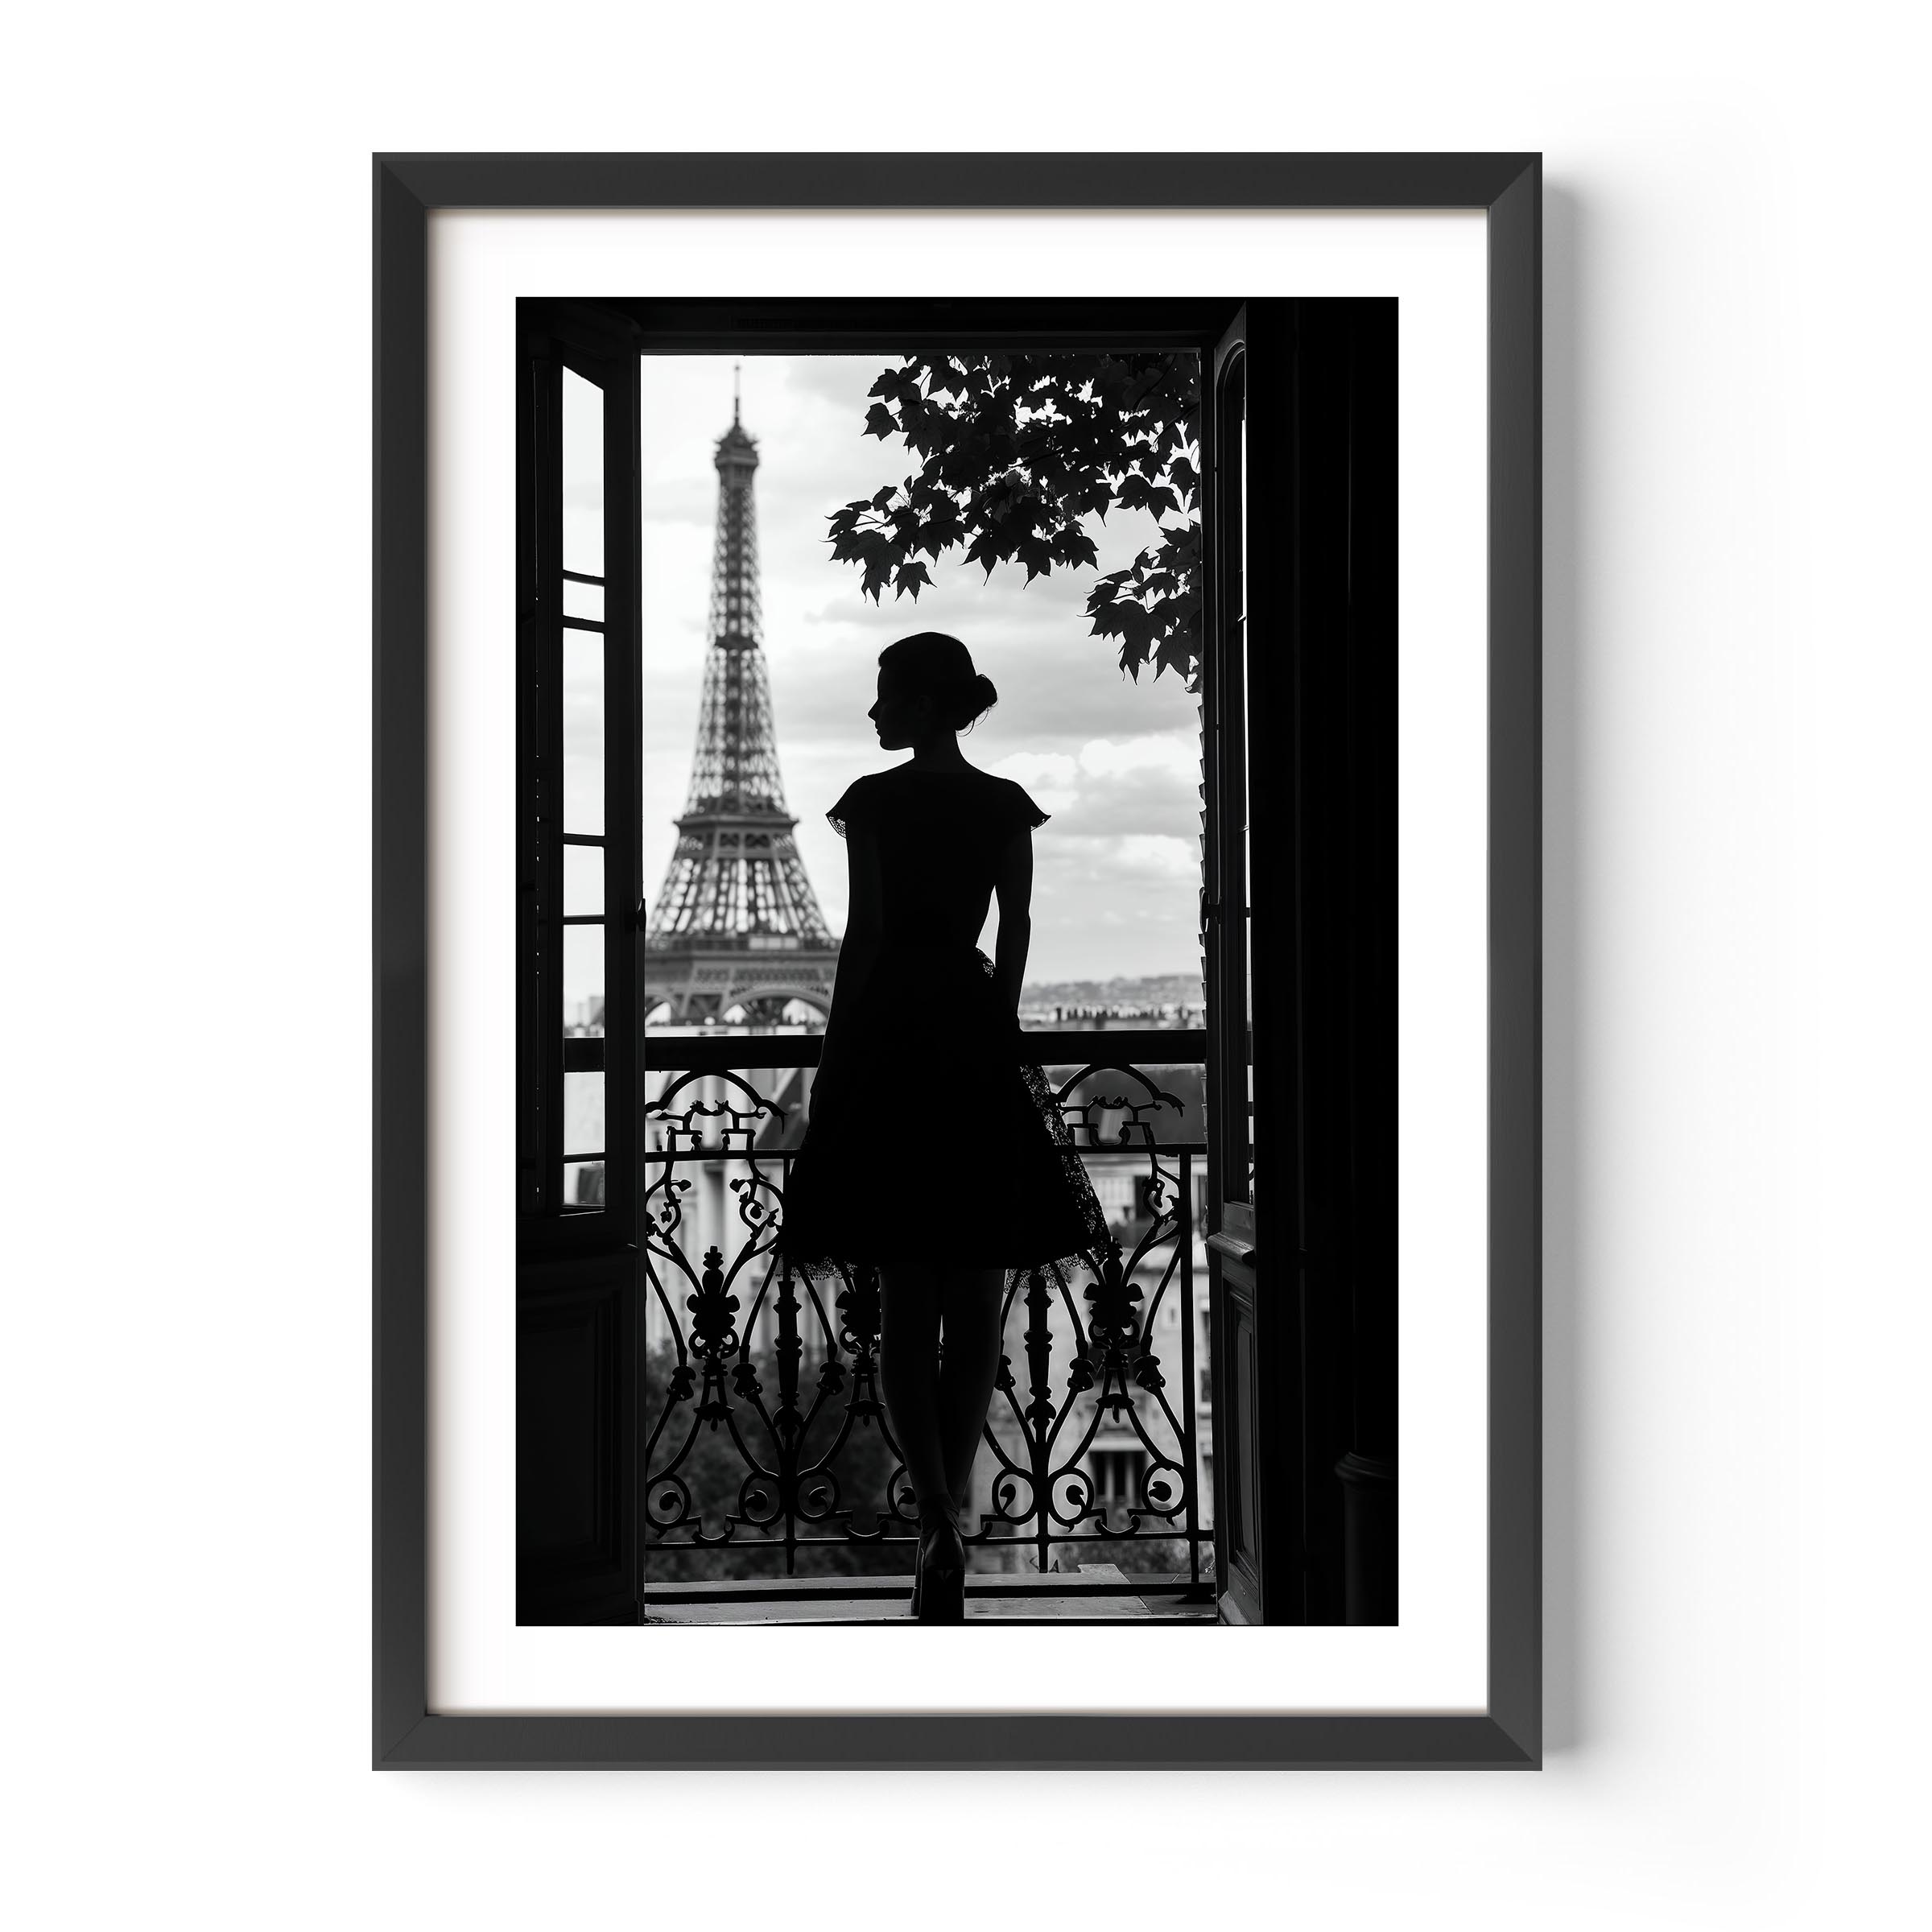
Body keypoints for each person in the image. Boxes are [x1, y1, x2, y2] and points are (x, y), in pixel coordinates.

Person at [778, 633, 1108, 1621]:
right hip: (970, 1043)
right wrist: (998, 1023)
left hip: (890, 1043)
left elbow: (867, 936)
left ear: (924, 706)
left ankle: (932, 1523)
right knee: (977, 1305)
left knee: (904, 1305)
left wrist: (837, 1063)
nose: (874, 715)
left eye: (887, 698)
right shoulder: (1005, 804)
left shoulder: (874, 803)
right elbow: (1016, 927)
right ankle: (955, 1511)